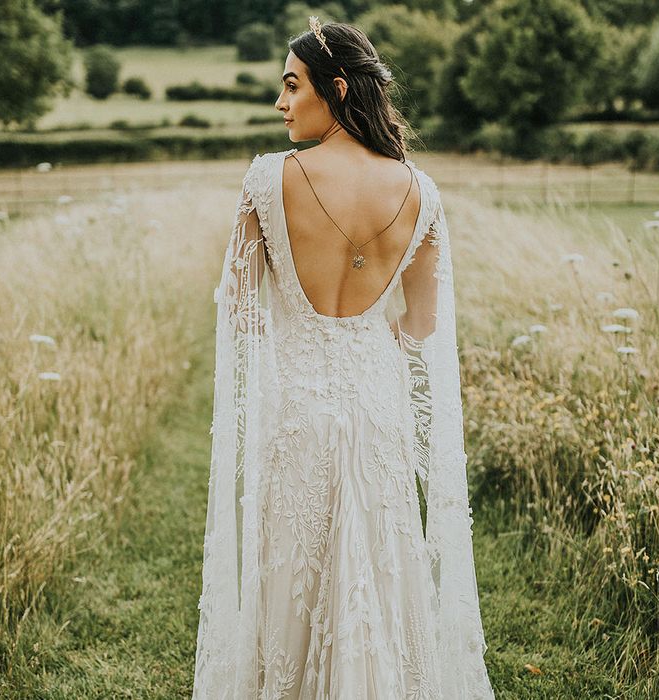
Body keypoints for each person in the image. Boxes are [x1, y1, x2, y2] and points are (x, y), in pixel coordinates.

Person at [191, 17, 494, 700]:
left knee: (292, 578)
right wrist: (364, 338)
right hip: (377, 409)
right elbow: (421, 323)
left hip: (295, 410)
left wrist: (303, 328)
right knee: (378, 574)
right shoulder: (420, 192)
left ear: (333, 88)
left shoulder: (267, 182)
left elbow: (238, 313)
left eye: (290, 86)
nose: (280, 103)